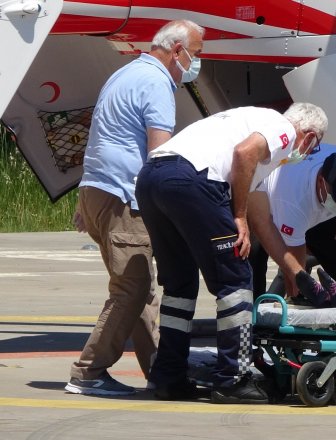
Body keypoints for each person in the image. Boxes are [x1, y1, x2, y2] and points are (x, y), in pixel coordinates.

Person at [135, 102, 327, 404]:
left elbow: (263, 222)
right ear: (310, 136)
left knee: (180, 286)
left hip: (151, 178)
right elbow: (244, 153)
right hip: (193, 178)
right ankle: (232, 378)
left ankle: (167, 377)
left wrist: (295, 272)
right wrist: (238, 216)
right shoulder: (284, 130)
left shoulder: (247, 126)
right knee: (236, 279)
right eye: (313, 145)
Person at [65, 19, 205, 396]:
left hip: (99, 190)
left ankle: (161, 371)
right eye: (197, 53)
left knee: (138, 289)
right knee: (133, 286)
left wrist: (88, 196)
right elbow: (159, 157)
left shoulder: (126, 74)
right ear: (178, 51)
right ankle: (88, 372)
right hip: (123, 197)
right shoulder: (157, 84)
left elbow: (101, 134)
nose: (196, 63)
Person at [248, 146, 336, 298]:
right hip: (267, 203)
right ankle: (255, 308)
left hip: (316, 206)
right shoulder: (293, 201)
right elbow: (293, 264)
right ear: (321, 181)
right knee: (254, 258)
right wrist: (298, 295)